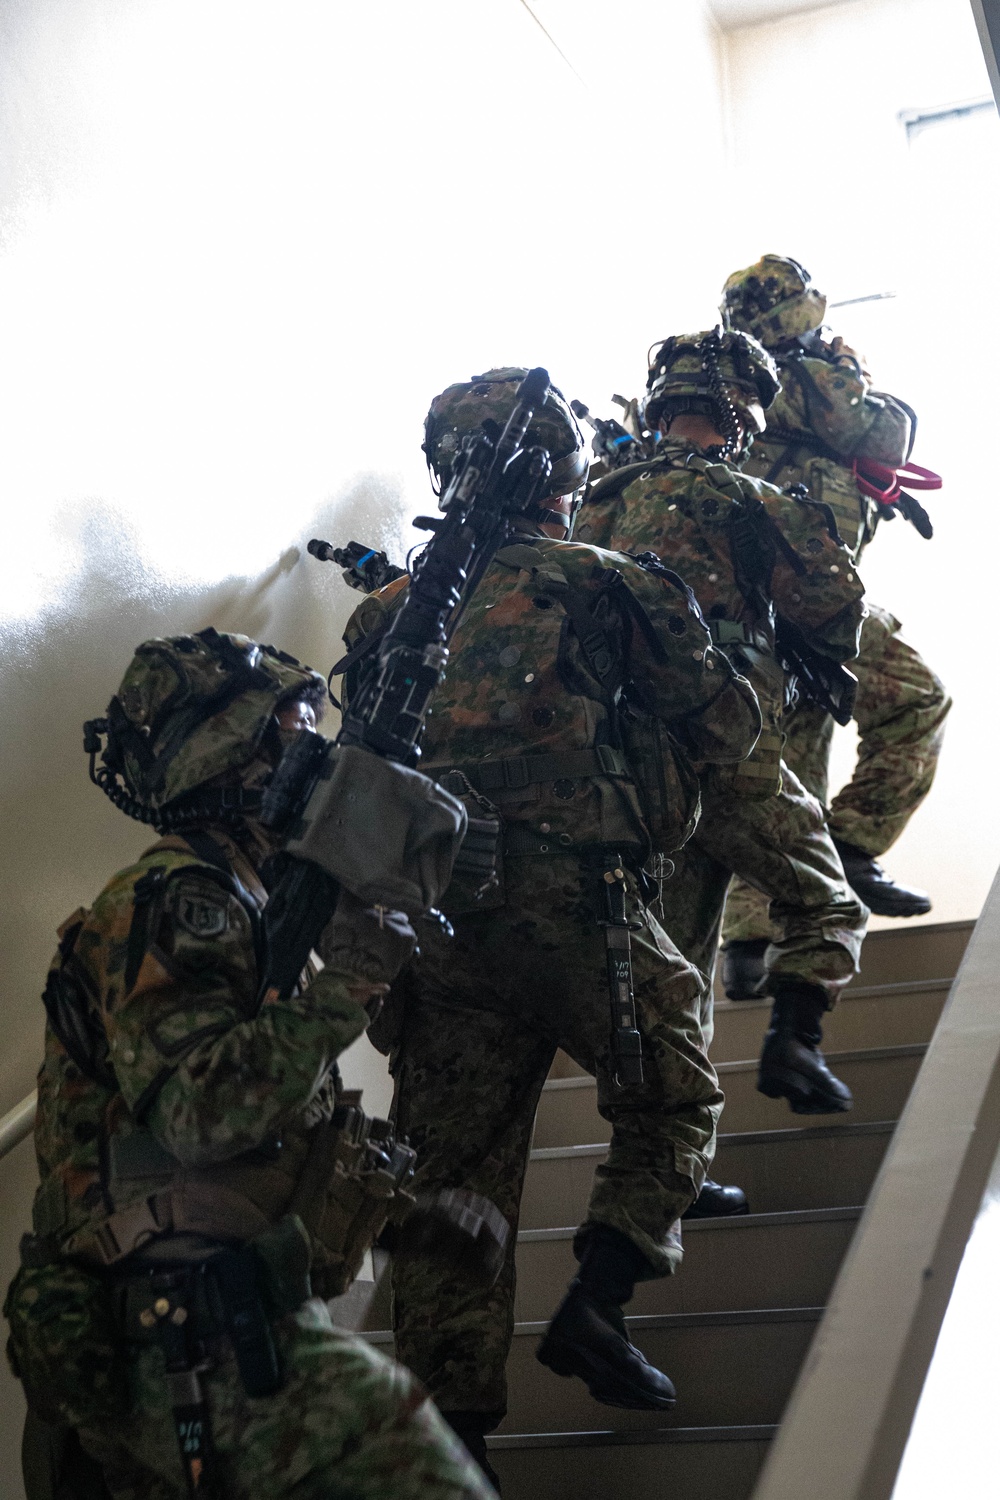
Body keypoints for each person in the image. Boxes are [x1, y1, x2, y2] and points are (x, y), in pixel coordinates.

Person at [341, 368, 763, 1490]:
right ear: (564, 473)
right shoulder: (606, 581)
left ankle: (451, 1453)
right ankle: (598, 1303)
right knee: (672, 1094)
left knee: (451, 1182)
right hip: (576, 906)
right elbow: (724, 721)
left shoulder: (384, 614)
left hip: (432, 931)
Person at [4, 627, 497, 1500]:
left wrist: (401, 1216)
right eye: (296, 722)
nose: (317, 744)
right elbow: (200, 1119)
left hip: (227, 1320)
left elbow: (247, 1151)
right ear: (233, 751)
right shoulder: (174, 902)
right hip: (179, 1343)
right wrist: (346, 985)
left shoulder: (251, 904)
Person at [577, 329, 868, 1119]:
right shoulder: (755, 502)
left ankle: (669, 1178)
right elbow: (838, 614)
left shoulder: (591, 507)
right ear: (743, 417)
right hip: (732, 756)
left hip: (632, 774)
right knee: (828, 902)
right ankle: (794, 1042)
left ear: (658, 404)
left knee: (677, 964)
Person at [718, 255, 951, 997]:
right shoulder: (808, 377)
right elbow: (884, 435)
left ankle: (751, 941)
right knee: (916, 699)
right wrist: (847, 365)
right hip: (809, 598)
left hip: (764, 606)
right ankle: (850, 849)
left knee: (787, 765)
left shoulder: (725, 383)